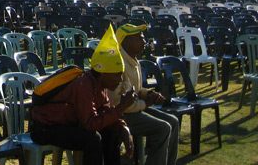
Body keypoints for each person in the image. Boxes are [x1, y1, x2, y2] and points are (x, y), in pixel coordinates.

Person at [31, 27, 135, 165]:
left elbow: (105, 111)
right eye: (117, 75)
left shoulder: (100, 85)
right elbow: (90, 123)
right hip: (45, 128)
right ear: (104, 73)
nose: (120, 79)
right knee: (92, 139)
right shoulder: (84, 84)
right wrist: (121, 107)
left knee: (112, 132)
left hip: (69, 124)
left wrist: (123, 127)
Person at [111, 24, 179, 165]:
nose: (144, 42)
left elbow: (136, 89)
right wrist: (145, 103)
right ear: (126, 41)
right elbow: (118, 103)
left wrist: (148, 93)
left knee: (173, 121)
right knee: (163, 128)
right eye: (139, 39)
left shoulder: (133, 60)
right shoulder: (117, 63)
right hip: (120, 114)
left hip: (134, 108)